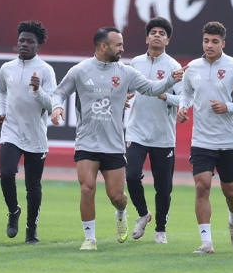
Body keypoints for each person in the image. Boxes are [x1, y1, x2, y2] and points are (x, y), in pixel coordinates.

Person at [50, 27, 186, 250]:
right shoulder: (80, 71)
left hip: (113, 145)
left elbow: (152, 88)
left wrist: (170, 79)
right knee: (87, 188)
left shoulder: (126, 72)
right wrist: (56, 107)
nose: (123, 49)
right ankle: (90, 239)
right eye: (119, 45)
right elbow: (59, 92)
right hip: (86, 142)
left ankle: (121, 212)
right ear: (104, 46)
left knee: (117, 197)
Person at [178, 21, 233, 254]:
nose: (209, 45)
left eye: (215, 41)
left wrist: (228, 107)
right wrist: (183, 107)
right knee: (202, 186)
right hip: (202, 141)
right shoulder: (192, 68)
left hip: (229, 141)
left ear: (223, 44)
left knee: (230, 192)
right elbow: (186, 93)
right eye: (206, 41)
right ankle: (206, 242)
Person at [0, 21, 56, 245]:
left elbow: (52, 105)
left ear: (39, 45)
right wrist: (0, 113)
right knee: (7, 173)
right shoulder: (6, 68)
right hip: (11, 131)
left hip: (36, 136)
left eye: (30, 41)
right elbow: (1, 93)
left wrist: (37, 90)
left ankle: (32, 231)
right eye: (21, 40)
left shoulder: (46, 70)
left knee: (33, 187)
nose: (24, 44)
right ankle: (13, 211)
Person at [125, 17, 183, 244]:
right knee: (131, 176)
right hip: (137, 132)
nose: (157, 35)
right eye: (153, 32)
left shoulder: (174, 67)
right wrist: (125, 96)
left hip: (163, 136)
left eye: (162, 33)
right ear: (147, 38)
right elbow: (126, 88)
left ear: (167, 40)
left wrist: (166, 96)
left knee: (163, 187)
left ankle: (160, 230)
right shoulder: (135, 63)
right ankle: (143, 214)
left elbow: (183, 98)